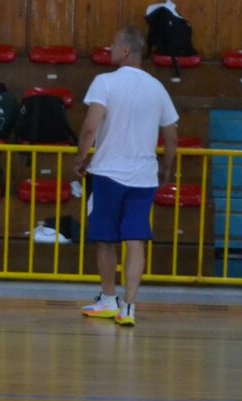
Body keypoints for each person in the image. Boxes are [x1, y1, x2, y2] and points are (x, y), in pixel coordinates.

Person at [72, 26, 178, 327]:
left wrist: (80, 157)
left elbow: (90, 127)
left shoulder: (104, 82)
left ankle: (108, 299)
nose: (110, 47)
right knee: (135, 240)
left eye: (114, 43)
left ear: (126, 50)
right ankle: (129, 307)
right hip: (143, 177)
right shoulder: (157, 88)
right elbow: (171, 136)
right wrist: (166, 167)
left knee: (105, 239)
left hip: (107, 174)